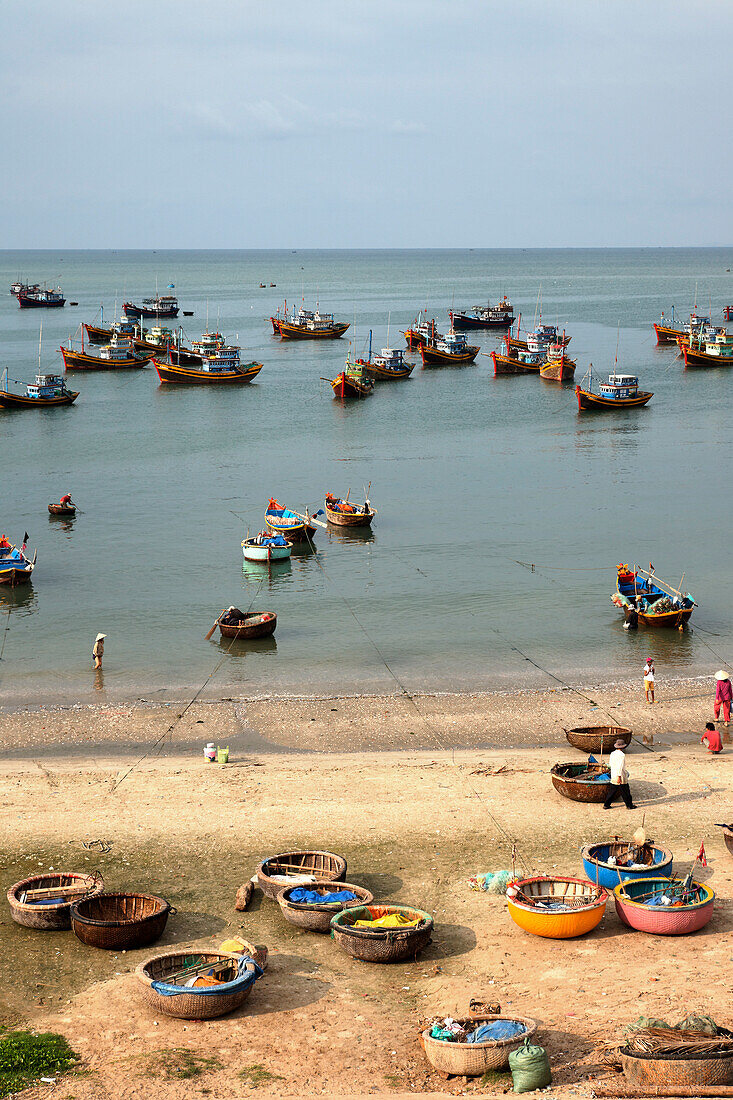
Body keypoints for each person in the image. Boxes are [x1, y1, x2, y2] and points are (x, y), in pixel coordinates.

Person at [603, 738, 637, 810]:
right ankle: (629, 805)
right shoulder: (622, 755)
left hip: (614, 774)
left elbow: (611, 764)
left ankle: (606, 804)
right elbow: (620, 766)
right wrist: (619, 776)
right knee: (626, 792)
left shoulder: (612, 753)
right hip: (620, 775)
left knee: (612, 791)